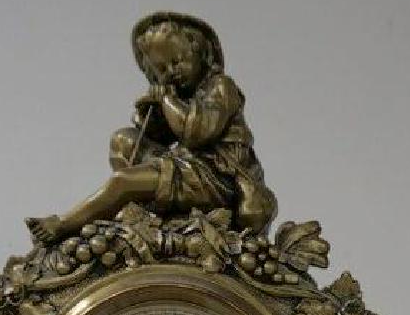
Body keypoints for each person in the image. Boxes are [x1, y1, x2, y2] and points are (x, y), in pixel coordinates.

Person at [26, 12, 277, 243]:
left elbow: (197, 132)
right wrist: (152, 112)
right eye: (161, 70)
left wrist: (167, 100)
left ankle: (62, 225)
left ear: (201, 52)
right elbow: (162, 137)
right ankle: (146, 208)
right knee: (123, 141)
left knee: (123, 182)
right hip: (189, 168)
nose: (171, 73)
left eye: (177, 61)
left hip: (215, 179)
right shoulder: (183, 94)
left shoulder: (221, 87)